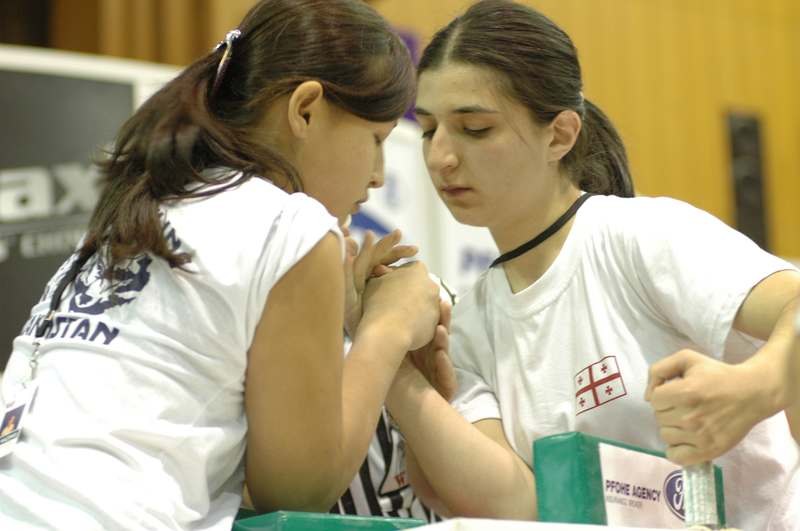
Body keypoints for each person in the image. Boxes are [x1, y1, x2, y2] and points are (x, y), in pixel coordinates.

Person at [0, 1, 443, 529]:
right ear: (305, 110)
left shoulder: (145, 203)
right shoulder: (294, 226)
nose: (377, 175)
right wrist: (387, 328)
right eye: (376, 140)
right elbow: (296, 489)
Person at [383, 1, 800, 529]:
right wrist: (393, 363)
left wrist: (757, 386)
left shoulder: (642, 236)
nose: (441, 156)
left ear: (559, 134)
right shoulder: (468, 326)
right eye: (427, 130)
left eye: (475, 128)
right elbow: (523, 508)